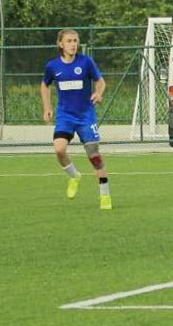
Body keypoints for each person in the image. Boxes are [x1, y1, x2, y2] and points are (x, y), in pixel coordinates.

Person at [40, 29, 112, 210]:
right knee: (59, 149)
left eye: (75, 41)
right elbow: (44, 85)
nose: (73, 44)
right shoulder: (52, 66)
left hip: (86, 115)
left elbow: (100, 81)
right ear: (61, 44)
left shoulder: (85, 62)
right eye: (69, 41)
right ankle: (74, 175)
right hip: (65, 116)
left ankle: (105, 195)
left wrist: (98, 92)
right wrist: (47, 107)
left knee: (94, 155)